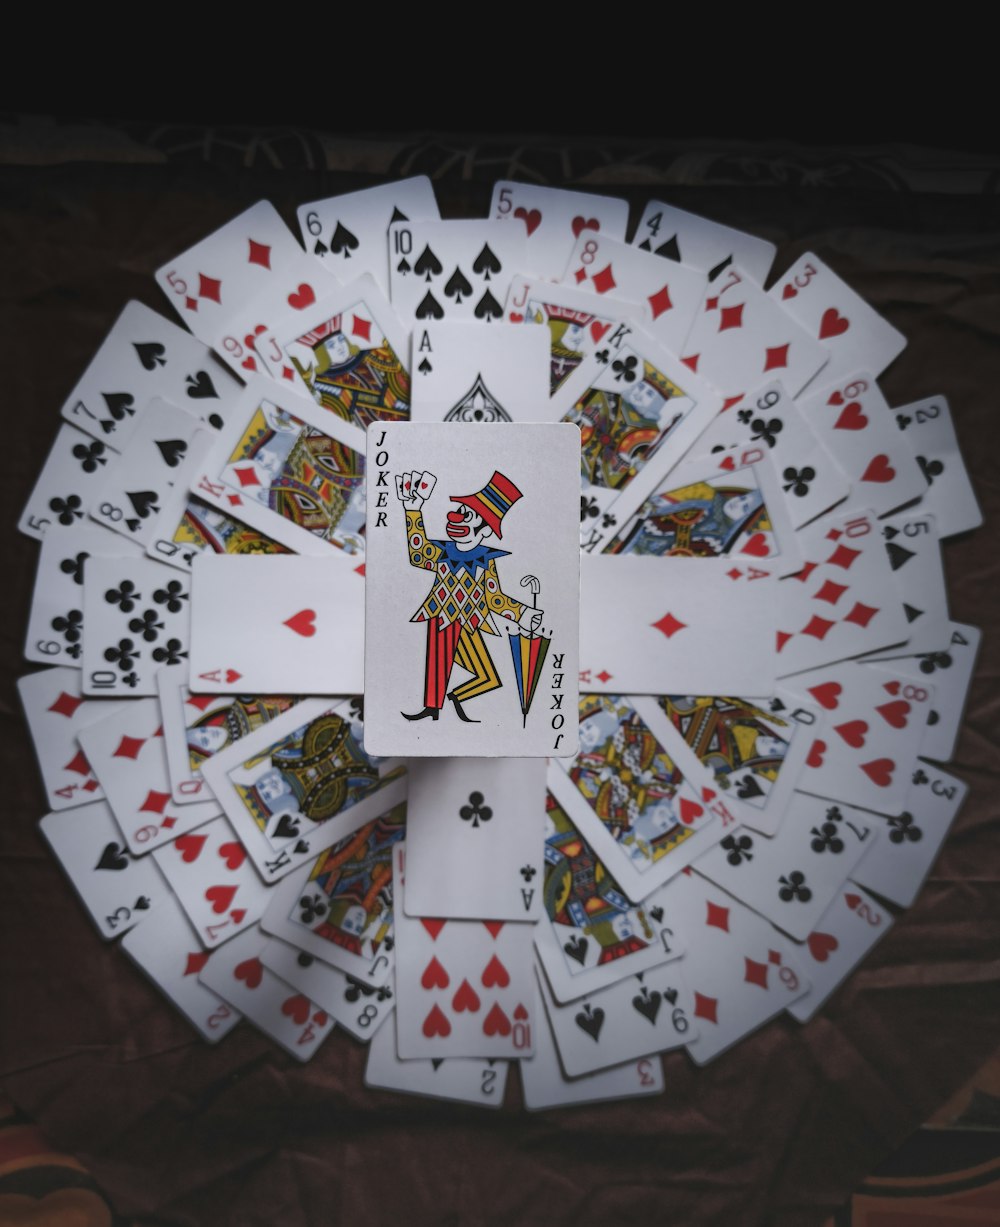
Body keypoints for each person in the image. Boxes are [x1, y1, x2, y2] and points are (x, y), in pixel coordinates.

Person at [396, 469, 542, 723]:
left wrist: (522, 614)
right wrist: (413, 510)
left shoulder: (485, 560)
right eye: (461, 511)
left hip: (469, 622)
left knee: (488, 677)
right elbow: (417, 554)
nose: (457, 518)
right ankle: (432, 709)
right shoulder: (443, 551)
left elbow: (494, 598)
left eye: (469, 516)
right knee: (436, 669)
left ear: (485, 531)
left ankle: (457, 697)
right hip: (441, 616)